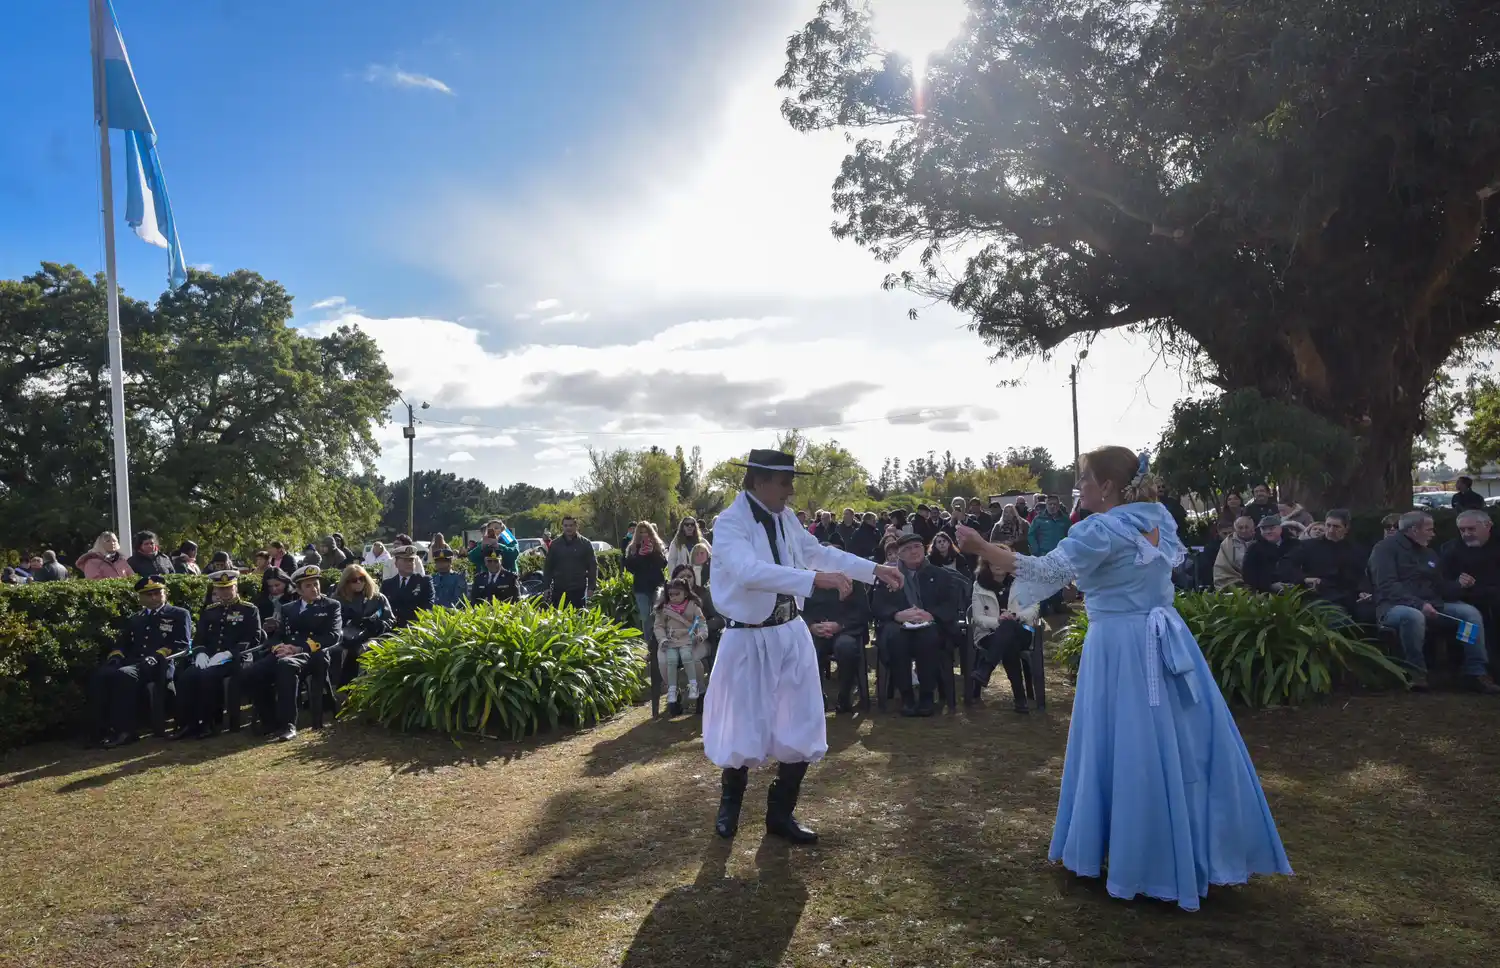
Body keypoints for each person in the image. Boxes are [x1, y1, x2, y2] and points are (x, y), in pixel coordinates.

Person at [955, 445, 1292, 911]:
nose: (1079, 487)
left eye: (1084, 479)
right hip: (1164, 634)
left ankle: (1144, 859)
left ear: (1108, 486)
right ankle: (1192, 848)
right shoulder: (1155, 518)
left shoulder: (1102, 528)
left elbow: (1046, 568)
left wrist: (980, 547)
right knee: (1179, 740)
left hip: (1122, 645)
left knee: (1130, 742)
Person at [705, 449, 903, 844]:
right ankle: (730, 806)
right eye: (785, 482)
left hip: (790, 632)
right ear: (759, 481)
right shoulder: (730, 523)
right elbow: (748, 572)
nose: (791, 491)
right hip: (747, 638)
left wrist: (873, 569)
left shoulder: (786, 518)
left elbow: (818, 552)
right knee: (744, 723)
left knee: (801, 719)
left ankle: (781, 814)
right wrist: (814, 580)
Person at [1370, 510, 1500, 693]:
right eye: (1429, 530)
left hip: (1432, 604)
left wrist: (1458, 585)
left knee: (1469, 615)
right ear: (1414, 530)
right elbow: (1387, 586)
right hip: (1393, 607)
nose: (1433, 534)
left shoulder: (1428, 553)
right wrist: (1419, 604)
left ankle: (1474, 670)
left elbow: (1439, 585)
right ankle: (1416, 672)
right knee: (1413, 616)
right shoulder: (1384, 549)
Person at [87, 575, 192, 748]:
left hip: (160, 664)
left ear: (165, 593)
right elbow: (123, 643)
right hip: (134, 662)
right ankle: (100, 731)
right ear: (140, 598)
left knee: (124, 675)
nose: (154, 597)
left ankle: (126, 731)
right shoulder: (136, 618)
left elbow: (182, 643)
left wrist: (158, 655)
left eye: (157, 593)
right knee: (101, 675)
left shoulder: (179, 614)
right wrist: (116, 656)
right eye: (148, 595)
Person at [241, 565, 342, 741]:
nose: (315, 588)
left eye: (316, 584)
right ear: (298, 590)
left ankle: (288, 725)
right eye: (308, 586)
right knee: (253, 671)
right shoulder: (288, 608)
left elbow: (332, 636)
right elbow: (278, 635)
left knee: (285, 666)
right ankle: (269, 721)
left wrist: (298, 648)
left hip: (312, 654)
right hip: (286, 652)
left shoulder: (331, 606)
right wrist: (279, 647)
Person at [872, 533, 964, 716]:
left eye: (917, 547)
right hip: (899, 625)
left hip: (930, 624)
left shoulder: (940, 575)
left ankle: (926, 696)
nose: (913, 552)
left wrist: (930, 614)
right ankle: (906, 696)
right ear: (899, 554)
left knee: (928, 637)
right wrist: (896, 614)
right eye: (907, 549)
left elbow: (950, 604)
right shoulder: (889, 576)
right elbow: (877, 605)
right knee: (896, 638)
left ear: (924, 549)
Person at [172, 570, 261, 740]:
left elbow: (253, 638)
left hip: (236, 659)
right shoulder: (210, 611)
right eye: (221, 589)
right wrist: (200, 653)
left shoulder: (249, 610)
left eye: (228, 588)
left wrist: (229, 653)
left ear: (235, 587)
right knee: (186, 676)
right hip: (210, 658)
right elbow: (199, 638)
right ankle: (186, 724)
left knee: (208, 676)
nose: (225, 592)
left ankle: (209, 723)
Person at [801, 533, 872, 713]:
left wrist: (840, 625)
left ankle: (845, 695)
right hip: (815, 631)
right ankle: (817, 697)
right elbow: (799, 610)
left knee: (846, 647)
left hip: (845, 630)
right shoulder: (808, 581)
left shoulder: (853, 581)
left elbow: (862, 612)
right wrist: (811, 626)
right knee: (807, 649)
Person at [968, 557, 1039, 712]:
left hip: (1022, 630)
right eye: (994, 560)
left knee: (1009, 628)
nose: (998, 564)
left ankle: (986, 668)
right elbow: (978, 617)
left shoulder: (1022, 582)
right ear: (987, 564)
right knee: (1008, 641)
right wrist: (998, 621)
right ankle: (1020, 698)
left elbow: (1034, 609)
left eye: (1001, 560)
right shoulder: (979, 585)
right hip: (990, 634)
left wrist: (1015, 616)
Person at [1278, 510, 1370, 621]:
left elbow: (1366, 573)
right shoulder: (1308, 546)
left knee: (1368, 615)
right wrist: (1304, 578)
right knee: (1337, 619)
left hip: (1351, 597)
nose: (1331, 530)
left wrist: (1363, 590)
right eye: (1328, 525)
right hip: (1320, 596)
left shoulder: (1356, 550)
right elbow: (1285, 565)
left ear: (1346, 529)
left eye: (1336, 527)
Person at [653, 577, 710, 715]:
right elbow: (658, 626)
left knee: (689, 657)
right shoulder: (664, 608)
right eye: (671, 594)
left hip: (690, 640)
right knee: (668, 660)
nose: (673, 597)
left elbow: (701, 623)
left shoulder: (693, 606)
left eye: (677, 594)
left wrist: (701, 635)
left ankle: (699, 690)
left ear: (685, 592)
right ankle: (673, 691)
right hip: (671, 641)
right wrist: (662, 639)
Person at [335, 564, 394, 686]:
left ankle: (363, 688)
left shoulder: (378, 598)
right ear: (346, 582)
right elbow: (333, 623)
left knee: (366, 649)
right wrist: (349, 621)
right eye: (354, 580)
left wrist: (378, 624)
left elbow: (390, 620)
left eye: (361, 579)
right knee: (339, 651)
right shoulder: (339, 600)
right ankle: (341, 688)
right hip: (347, 638)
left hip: (375, 637)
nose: (358, 582)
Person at [624, 523, 669, 640]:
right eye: (641, 532)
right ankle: (649, 642)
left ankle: (659, 639)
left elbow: (663, 564)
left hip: (657, 584)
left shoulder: (658, 545)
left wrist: (653, 553)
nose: (644, 535)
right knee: (645, 616)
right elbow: (629, 567)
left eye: (646, 532)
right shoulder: (632, 547)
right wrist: (639, 555)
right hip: (641, 586)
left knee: (658, 614)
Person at [543, 515, 598, 607]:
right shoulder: (555, 545)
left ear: (576, 526)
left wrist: (591, 588)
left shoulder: (585, 544)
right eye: (566, 525)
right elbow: (548, 567)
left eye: (571, 525)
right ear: (562, 526)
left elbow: (592, 567)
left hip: (578, 589)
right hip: (559, 589)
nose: (568, 528)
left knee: (579, 614)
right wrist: (546, 587)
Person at [382, 546, 434, 629]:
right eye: (405, 560)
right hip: (391, 628)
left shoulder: (424, 581)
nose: (409, 563)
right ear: (396, 564)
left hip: (415, 628)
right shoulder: (387, 584)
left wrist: (414, 624)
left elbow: (427, 606)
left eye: (411, 560)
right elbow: (382, 607)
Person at [1242, 515, 1293, 593]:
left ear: (1280, 528)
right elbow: (1248, 573)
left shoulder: (1293, 544)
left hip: (1295, 590)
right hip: (1265, 593)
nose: (1268, 532)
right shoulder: (1254, 548)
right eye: (1264, 529)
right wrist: (1269, 585)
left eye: (1271, 528)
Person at [255, 568, 297, 644]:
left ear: (285, 582)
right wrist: (263, 627)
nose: (274, 589)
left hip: (291, 639)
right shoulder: (262, 600)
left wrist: (281, 625)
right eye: (270, 586)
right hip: (268, 640)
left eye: (277, 585)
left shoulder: (295, 596)